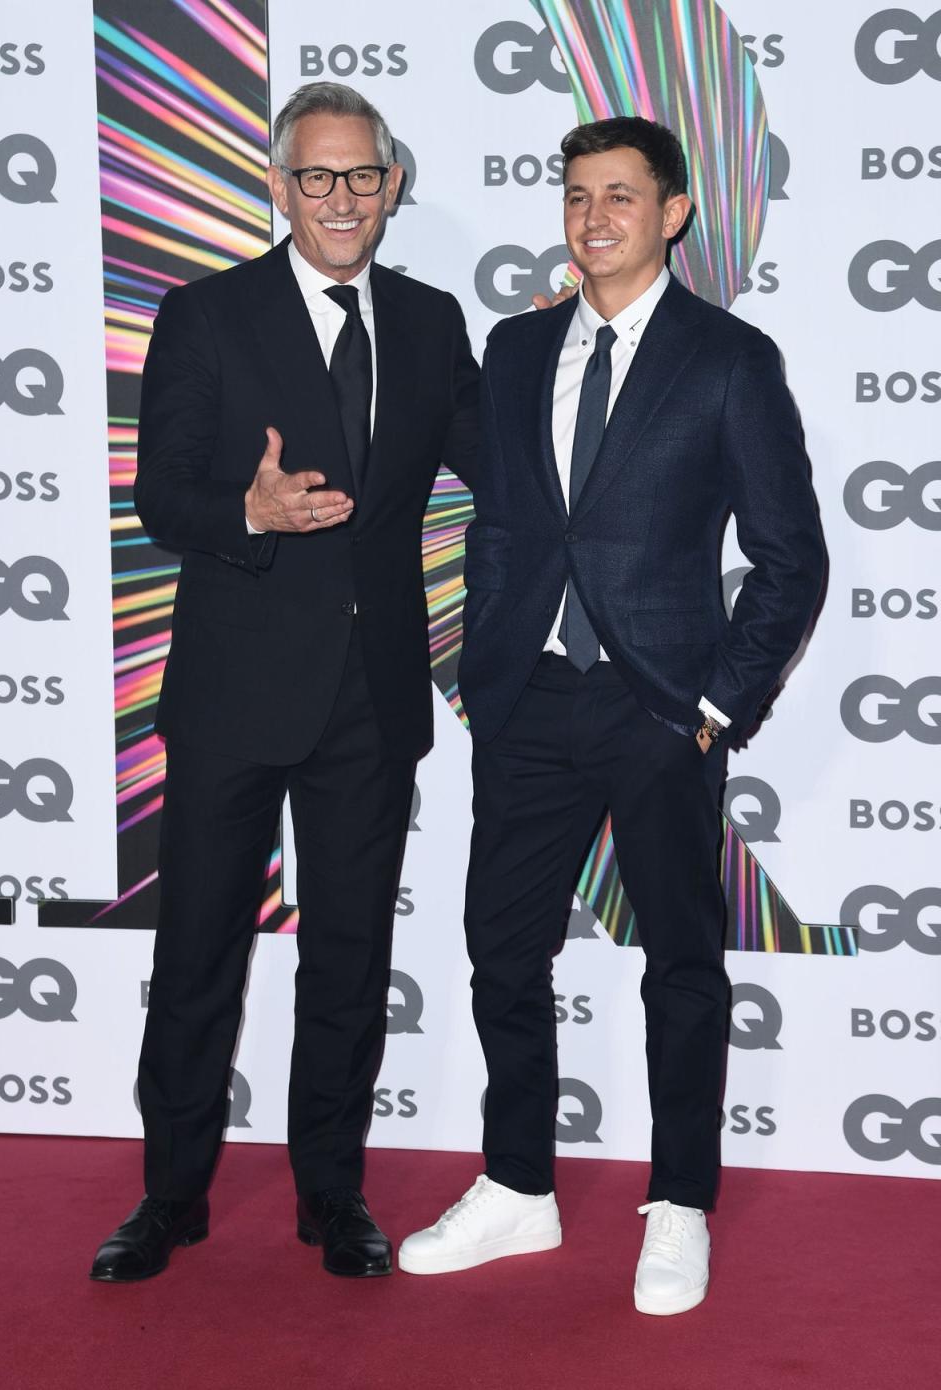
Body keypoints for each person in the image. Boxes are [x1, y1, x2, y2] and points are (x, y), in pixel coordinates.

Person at [399, 115, 824, 1314]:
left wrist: (713, 703)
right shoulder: (519, 345)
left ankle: (680, 1199)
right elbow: (513, 512)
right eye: (578, 195)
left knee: (681, 963)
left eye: (622, 197)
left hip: (659, 710)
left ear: (674, 212)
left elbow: (791, 558)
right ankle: (518, 1184)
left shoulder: (730, 360)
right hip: (529, 700)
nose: (594, 218)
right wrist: (487, 670)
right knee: (499, 949)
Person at [90, 81, 479, 1282]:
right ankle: (169, 1195)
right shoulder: (207, 314)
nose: (343, 198)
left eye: (363, 174)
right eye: (318, 176)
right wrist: (248, 514)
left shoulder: (428, 320)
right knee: (201, 947)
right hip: (233, 693)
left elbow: (495, 457)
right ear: (280, 186)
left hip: (372, 695)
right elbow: (161, 495)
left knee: (350, 955)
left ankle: (331, 1193)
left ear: (394, 182)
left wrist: (569, 358)